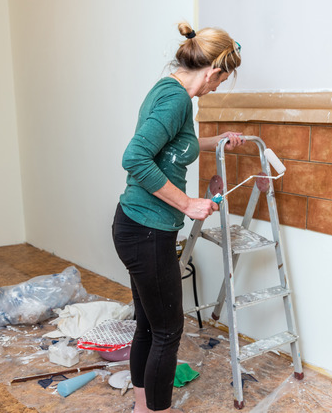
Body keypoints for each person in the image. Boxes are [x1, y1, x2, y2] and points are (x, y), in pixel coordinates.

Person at [112, 21, 243, 413]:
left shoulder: (167, 90)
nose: (216, 88)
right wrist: (187, 203)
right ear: (213, 70)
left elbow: (172, 145)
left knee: (149, 327)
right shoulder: (178, 101)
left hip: (135, 227)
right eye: (221, 81)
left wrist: (212, 141)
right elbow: (134, 158)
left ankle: (142, 408)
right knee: (168, 332)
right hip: (147, 232)